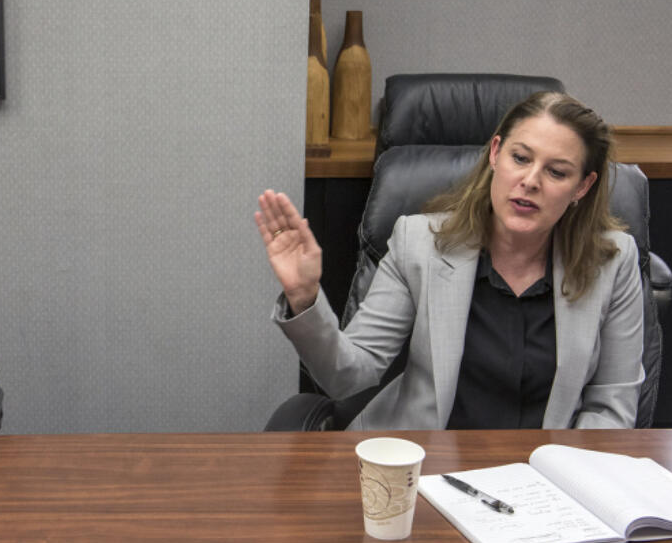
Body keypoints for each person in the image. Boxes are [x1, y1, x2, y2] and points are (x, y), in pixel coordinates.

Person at [256, 92, 644, 430]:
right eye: (520, 158)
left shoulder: (613, 262)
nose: (530, 181)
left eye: (556, 172)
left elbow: (610, 407)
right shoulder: (419, 244)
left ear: (583, 186)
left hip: (544, 483)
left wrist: (565, 480)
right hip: (427, 467)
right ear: (495, 153)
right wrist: (305, 297)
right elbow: (349, 376)